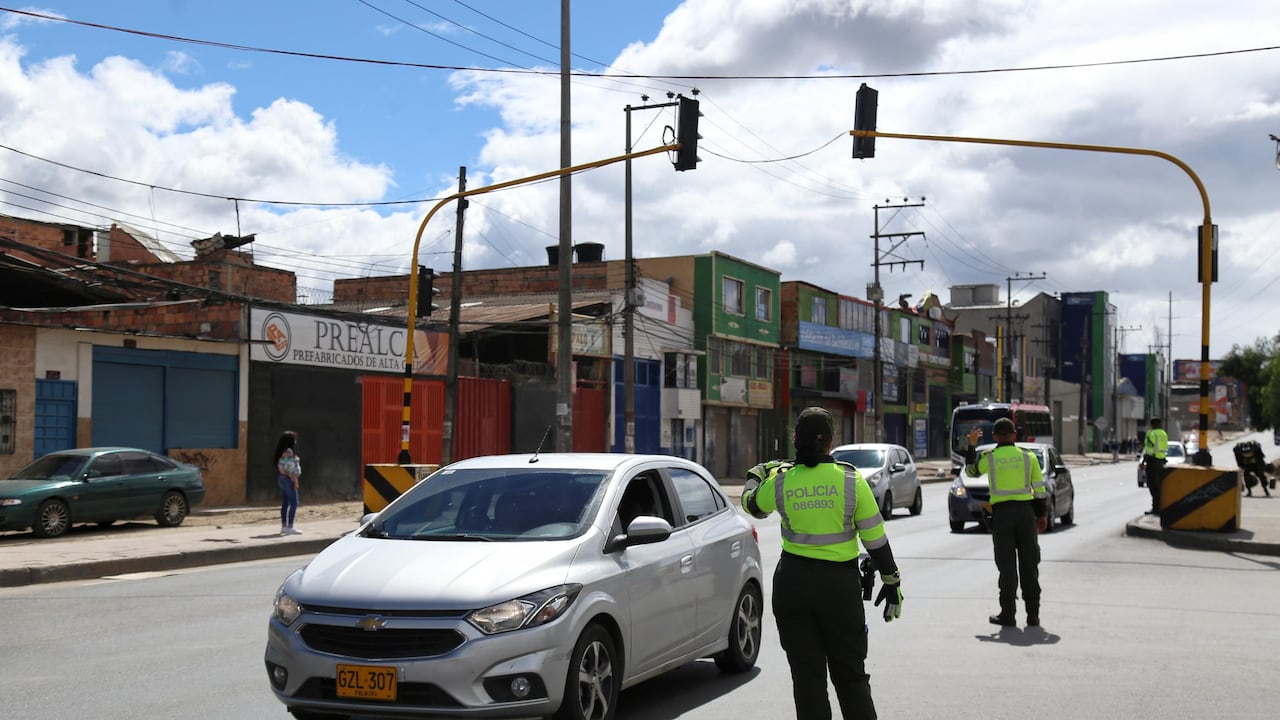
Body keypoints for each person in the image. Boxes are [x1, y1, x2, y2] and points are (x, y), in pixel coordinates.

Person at [741, 407, 902, 720]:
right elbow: (876, 542)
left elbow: (751, 505)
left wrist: (755, 475)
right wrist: (892, 582)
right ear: (832, 441)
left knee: (808, 681)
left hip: (792, 587)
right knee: (851, 678)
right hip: (839, 591)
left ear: (794, 440)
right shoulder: (851, 481)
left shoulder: (781, 482)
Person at [965, 417, 1048, 627]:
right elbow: (1039, 489)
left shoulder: (989, 458)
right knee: (1029, 564)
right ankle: (1033, 615)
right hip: (1026, 514)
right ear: (1014, 435)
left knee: (1007, 566)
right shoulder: (1029, 457)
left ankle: (1008, 614)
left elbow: (970, 472)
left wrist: (971, 446)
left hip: (1002, 516)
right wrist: (1042, 515)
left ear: (994, 436)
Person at [274, 431, 302, 535]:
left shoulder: (282, 452)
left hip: (283, 479)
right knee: (294, 503)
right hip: (288, 479)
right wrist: (294, 480)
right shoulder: (289, 452)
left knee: (285, 503)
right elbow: (289, 468)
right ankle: (290, 526)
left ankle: (284, 526)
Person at [1142, 417, 1168, 515]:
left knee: (1153, 486)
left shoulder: (1151, 434)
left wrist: (1144, 460)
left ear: (1152, 425)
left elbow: (1149, 449)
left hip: (1152, 462)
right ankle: (1161, 506)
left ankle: (1156, 508)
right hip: (1161, 461)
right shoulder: (1163, 434)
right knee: (1159, 485)